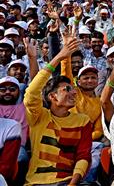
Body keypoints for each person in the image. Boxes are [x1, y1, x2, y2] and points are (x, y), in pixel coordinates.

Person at [24, 34, 93, 186]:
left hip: (68, 181)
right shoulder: (38, 116)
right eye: (66, 89)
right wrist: (59, 56)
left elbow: (83, 156)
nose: (74, 92)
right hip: (36, 183)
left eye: (73, 89)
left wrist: (73, 184)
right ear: (52, 96)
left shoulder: (82, 121)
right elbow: (31, 93)